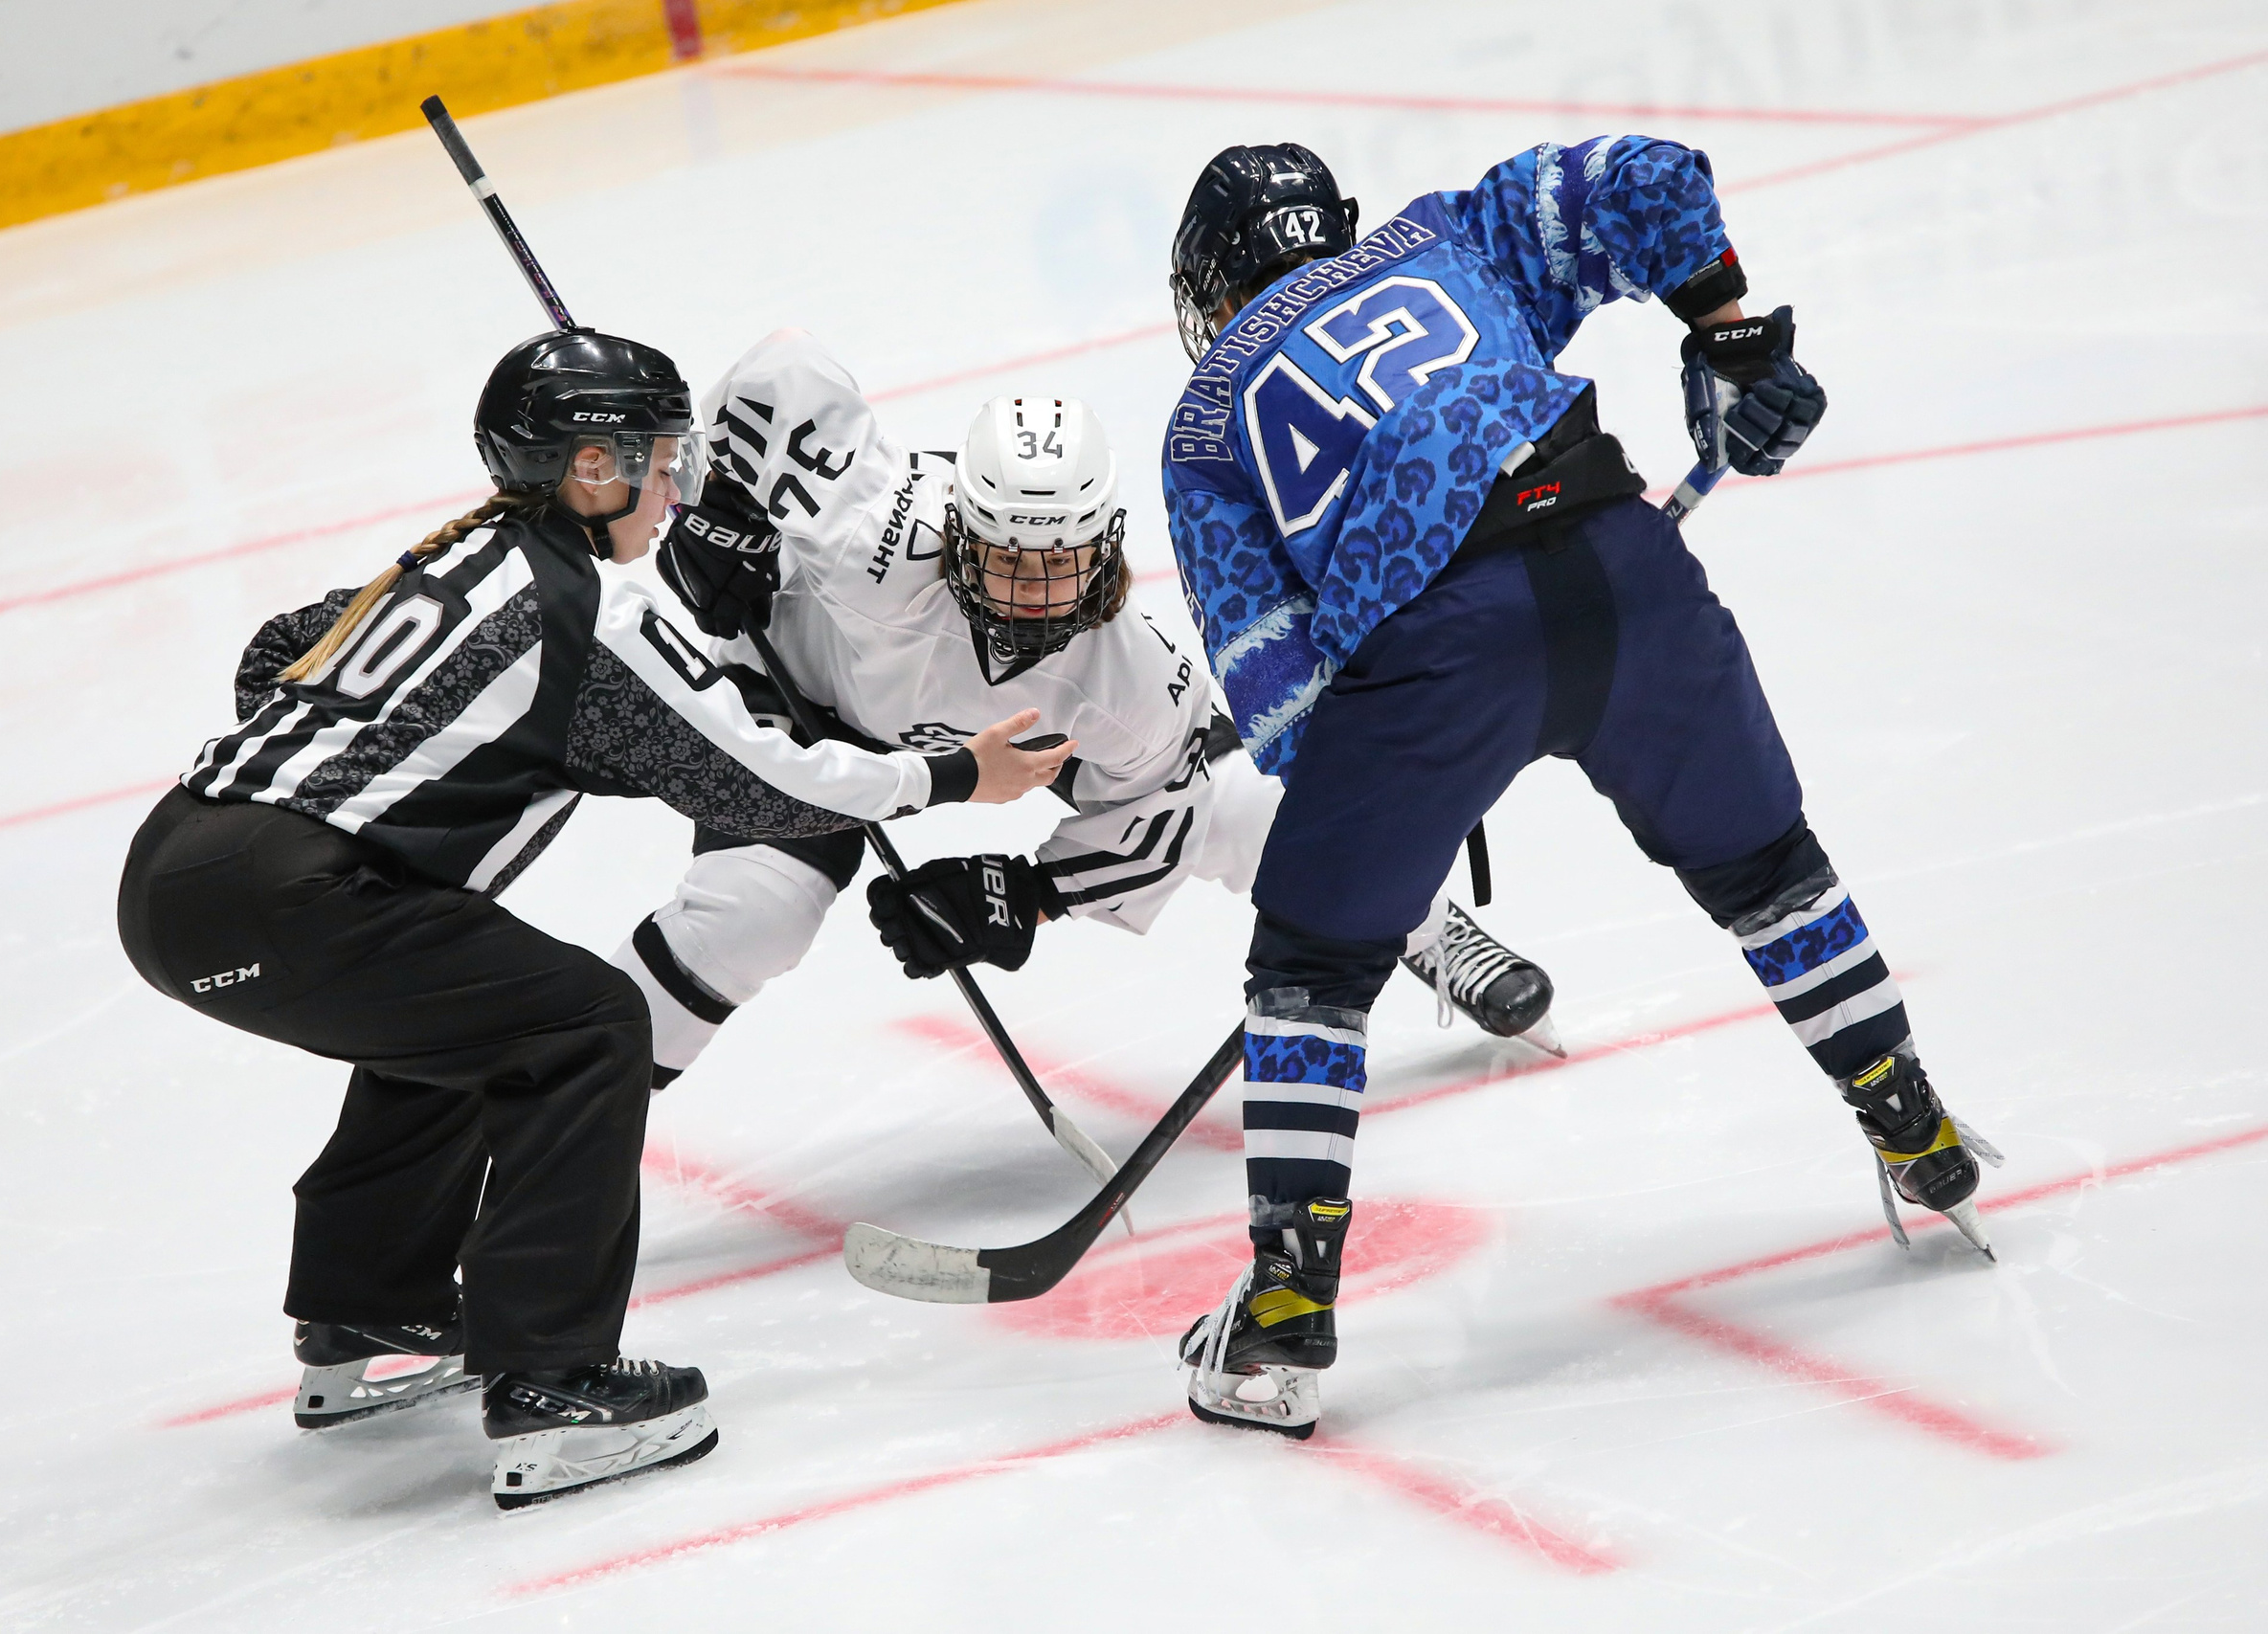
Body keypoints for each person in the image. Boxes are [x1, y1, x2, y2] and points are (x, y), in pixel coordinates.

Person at [114, 327, 1072, 1508]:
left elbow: (275, 660)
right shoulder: (590, 614)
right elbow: (761, 783)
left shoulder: (457, 561)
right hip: (290, 896)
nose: (675, 490)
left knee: (465, 1025)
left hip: (181, 865)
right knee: (589, 1029)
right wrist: (949, 779)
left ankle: (374, 1313)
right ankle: (552, 1381)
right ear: (591, 468)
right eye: (660, 464)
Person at [1156, 141, 2002, 1438]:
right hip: (1628, 567)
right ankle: (1915, 1122)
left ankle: (1281, 1311)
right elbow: (1650, 179)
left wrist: (1399, 765)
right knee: (1766, 865)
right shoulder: (1444, 235)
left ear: (1211, 280)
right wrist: (1733, 342)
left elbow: (1273, 695)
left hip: (1436, 656)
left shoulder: (1211, 414)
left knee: (1310, 967)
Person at [613, 328, 1559, 1104]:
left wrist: (1021, 894)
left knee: (1247, 802)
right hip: (797, 706)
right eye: (1012, 560)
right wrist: (708, 508)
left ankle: (1425, 925)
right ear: (962, 529)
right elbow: (782, 373)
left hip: (976, 740)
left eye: (1061, 561)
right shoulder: (876, 537)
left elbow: (1159, 820)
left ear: (1103, 538)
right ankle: (556, 1114)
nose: (1037, 593)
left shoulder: (1120, 676)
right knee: (752, 921)